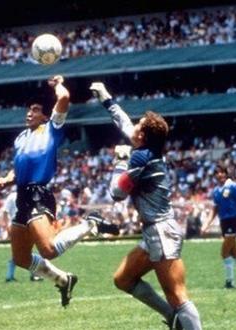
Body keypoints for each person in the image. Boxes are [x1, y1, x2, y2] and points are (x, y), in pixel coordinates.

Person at [0, 75, 119, 307]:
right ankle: (63, 280)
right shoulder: (21, 138)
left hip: (38, 194)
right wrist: (7, 179)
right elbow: (19, 168)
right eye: (28, 110)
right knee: (20, 258)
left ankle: (90, 224)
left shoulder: (52, 128)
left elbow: (64, 98)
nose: (29, 113)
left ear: (44, 115)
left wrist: (58, 84)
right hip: (22, 195)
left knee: (49, 249)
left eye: (35, 110)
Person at [90, 82, 202, 329]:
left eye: (138, 126)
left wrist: (119, 161)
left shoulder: (141, 157)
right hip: (155, 232)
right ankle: (174, 320)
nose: (134, 128)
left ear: (142, 137)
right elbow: (125, 124)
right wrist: (106, 98)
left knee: (178, 296)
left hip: (161, 232)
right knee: (124, 278)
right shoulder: (147, 150)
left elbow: (116, 193)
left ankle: (180, 318)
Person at [201, 165, 236, 289]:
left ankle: (230, 281)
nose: (218, 175)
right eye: (216, 173)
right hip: (224, 222)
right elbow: (214, 210)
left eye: (221, 172)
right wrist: (206, 225)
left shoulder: (234, 186)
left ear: (226, 173)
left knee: (224, 252)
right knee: (234, 252)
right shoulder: (216, 191)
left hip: (233, 221)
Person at [3, 189, 43, 282]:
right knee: (22, 251)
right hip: (22, 225)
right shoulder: (21, 196)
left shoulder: (12, 196)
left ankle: (10, 276)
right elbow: (5, 212)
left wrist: (7, 227)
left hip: (18, 226)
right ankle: (32, 275)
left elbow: (5, 213)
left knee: (23, 251)